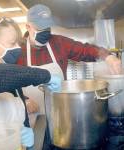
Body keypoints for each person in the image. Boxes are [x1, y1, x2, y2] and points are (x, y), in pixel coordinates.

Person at [16, 4, 122, 149]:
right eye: (40, 28)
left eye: (48, 28)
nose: (46, 32)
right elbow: (8, 86)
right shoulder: (16, 51)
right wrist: (25, 100)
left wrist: (107, 56)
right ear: (28, 26)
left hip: (61, 116)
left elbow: (85, 49)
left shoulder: (58, 42)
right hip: (32, 118)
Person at [0, 17, 61, 150]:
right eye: (12, 43)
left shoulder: (7, 67)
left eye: (18, 43)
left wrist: (25, 128)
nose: (17, 49)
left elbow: (17, 104)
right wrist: (45, 76)